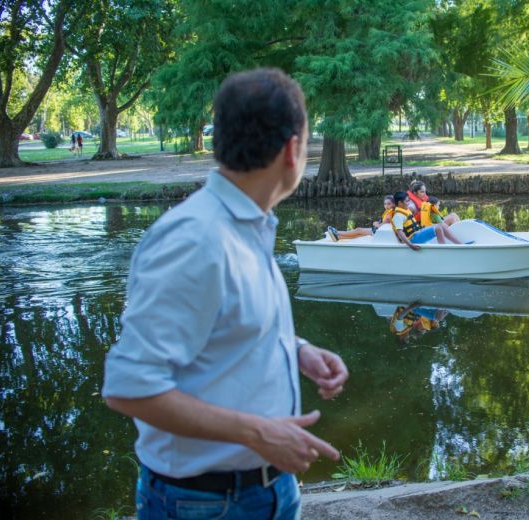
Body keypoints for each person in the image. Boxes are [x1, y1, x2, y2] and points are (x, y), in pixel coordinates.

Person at [102, 68, 349, 520]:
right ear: (292, 150)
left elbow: (223, 326)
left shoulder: (249, 224)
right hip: (203, 503)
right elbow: (129, 388)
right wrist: (257, 433)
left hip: (270, 490)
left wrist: (296, 350)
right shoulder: (193, 239)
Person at [391, 191, 462, 251]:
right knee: (438, 228)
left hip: (417, 233)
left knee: (442, 225)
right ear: (400, 203)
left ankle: (460, 244)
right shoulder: (398, 216)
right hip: (412, 239)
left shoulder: (406, 210)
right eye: (407, 201)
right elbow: (400, 232)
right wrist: (410, 245)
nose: (409, 203)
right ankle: (443, 250)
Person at [326, 195, 394, 241]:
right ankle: (339, 237)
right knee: (359, 235)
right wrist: (377, 223)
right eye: (385, 204)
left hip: (378, 232)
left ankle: (337, 232)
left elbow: (381, 225)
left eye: (389, 204)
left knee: (358, 230)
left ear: (393, 204)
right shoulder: (389, 212)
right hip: (378, 231)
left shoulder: (389, 214)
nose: (386, 206)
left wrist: (376, 224)